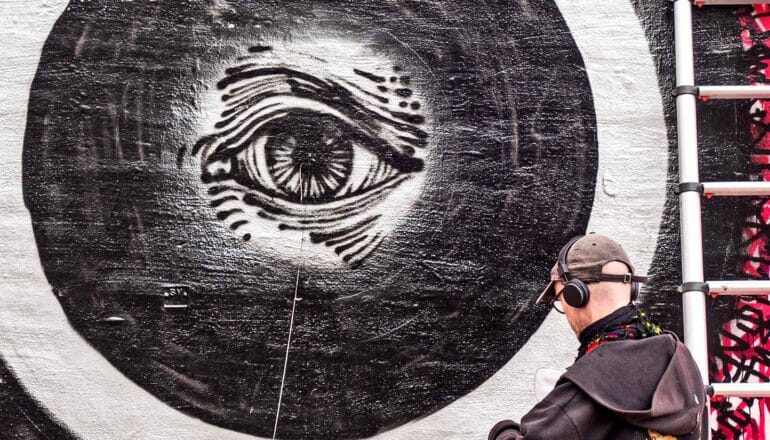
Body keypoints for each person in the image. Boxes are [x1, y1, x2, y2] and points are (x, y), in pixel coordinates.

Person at [489, 233, 705, 440]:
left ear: (576, 294)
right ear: (633, 289)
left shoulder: (594, 380)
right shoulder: (678, 357)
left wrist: (503, 430)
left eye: (560, 299)